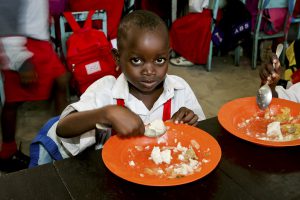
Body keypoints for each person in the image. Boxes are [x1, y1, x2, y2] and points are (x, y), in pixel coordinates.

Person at [55, 10, 206, 156]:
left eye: (159, 60)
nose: (149, 71)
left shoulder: (180, 89)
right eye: (137, 60)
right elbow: (63, 128)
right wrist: (106, 114)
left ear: (168, 55)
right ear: (117, 57)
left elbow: (201, 134)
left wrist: (190, 120)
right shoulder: (106, 90)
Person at [0, 0, 69, 168]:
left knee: (61, 80)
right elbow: (6, 18)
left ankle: (63, 138)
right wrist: (21, 60)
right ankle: (7, 153)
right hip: (23, 45)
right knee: (13, 100)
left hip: (39, 43)